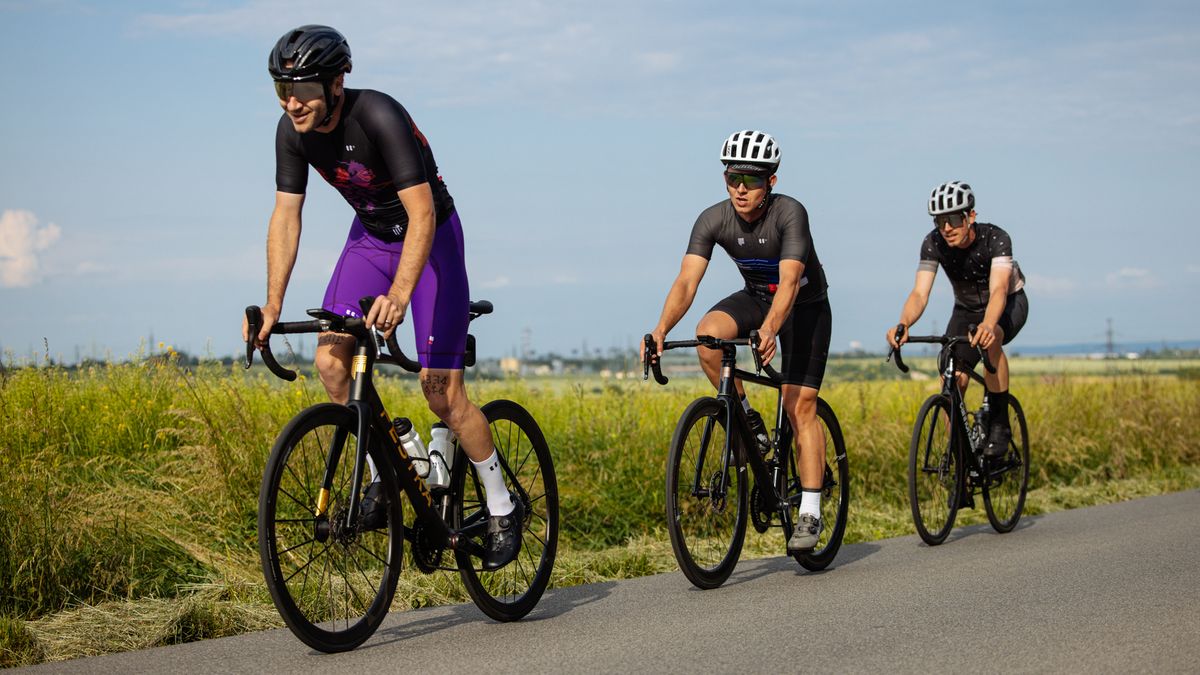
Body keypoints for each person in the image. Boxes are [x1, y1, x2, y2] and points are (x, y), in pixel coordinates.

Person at [242, 25, 521, 568]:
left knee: (441, 392)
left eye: (301, 89)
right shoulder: (291, 132)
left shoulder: (379, 116)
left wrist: (398, 294)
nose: (290, 101)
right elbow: (286, 215)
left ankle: (500, 506)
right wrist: (273, 304)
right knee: (330, 362)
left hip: (432, 238)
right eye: (281, 89)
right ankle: (389, 462)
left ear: (336, 82)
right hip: (370, 239)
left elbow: (421, 214)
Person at [648, 130, 833, 553]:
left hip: (804, 308)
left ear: (771, 180)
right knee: (706, 335)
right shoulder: (713, 218)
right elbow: (687, 280)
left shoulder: (790, 213)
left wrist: (769, 330)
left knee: (798, 404)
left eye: (751, 180)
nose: (740, 189)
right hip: (755, 298)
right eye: (733, 178)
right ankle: (747, 418)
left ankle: (809, 509)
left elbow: (789, 282)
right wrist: (660, 329)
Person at [886, 180, 1029, 457]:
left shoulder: (996, 239)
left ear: (970, 216)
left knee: (992, 339)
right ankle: (959, 458)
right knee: (953, 380)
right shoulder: (933, 243)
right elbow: (919, 293)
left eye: (953, 219)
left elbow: (999, 289)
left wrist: (989, 325)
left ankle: (999, 425)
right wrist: (903, 323)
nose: (947, 228)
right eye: (940, 221)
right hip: (966, 310)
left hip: (1008, 303)